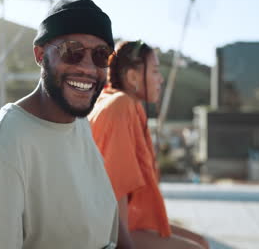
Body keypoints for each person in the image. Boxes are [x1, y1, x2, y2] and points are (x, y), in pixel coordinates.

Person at [0, 0, 133, 249]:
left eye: (101, 56)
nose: (87, 68)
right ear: (41, 55)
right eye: (72, 51)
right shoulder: (7, 141)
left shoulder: (77, 123)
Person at [89, 41, 209, 249]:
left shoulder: (119, 101)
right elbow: (116, 189)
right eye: (155, 71)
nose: (160, 79)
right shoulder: (120, 105)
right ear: (133, 77)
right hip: (105, 228)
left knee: (201, 242)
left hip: (119, 222)